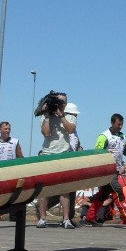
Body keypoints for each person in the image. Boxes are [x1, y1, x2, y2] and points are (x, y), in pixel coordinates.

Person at [36, 91, 77, 229]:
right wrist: (47, 115)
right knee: (45, 189)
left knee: (64, 189)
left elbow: (71, 130)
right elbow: (46, 133)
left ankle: (66, 219)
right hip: (47, 154)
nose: (61, 104)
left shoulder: (69, 115)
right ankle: (42, 218)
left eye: (64, 102)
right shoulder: (45, 115)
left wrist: (62, 116)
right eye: (59, 102)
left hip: (63, 154)